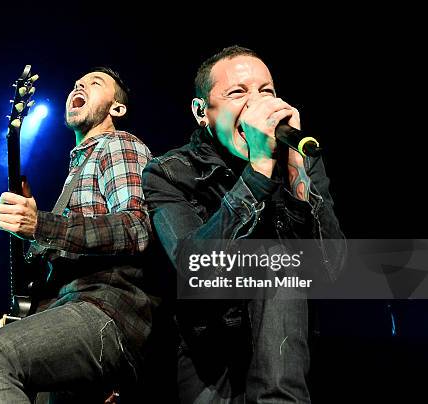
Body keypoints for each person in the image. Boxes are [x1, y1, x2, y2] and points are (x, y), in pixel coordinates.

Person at [142, 46, 345, 403]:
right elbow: (195, 268)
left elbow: (334, 268)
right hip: (209, 351)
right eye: (238, 92)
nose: (256, 104)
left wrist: (297, 170)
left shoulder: (301, 164)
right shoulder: (170, 172)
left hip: (287, 351)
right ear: (201, 111)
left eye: (266, 91)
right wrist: (258, 169)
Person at [0, 67, 158, 403]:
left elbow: (136, 228)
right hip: (70, 309)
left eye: (95, 83)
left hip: (104, 308)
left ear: (116, 109)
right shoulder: (77, 172)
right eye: (78, 82)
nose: (80, 84)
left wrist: (41, 225)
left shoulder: (118, 144)